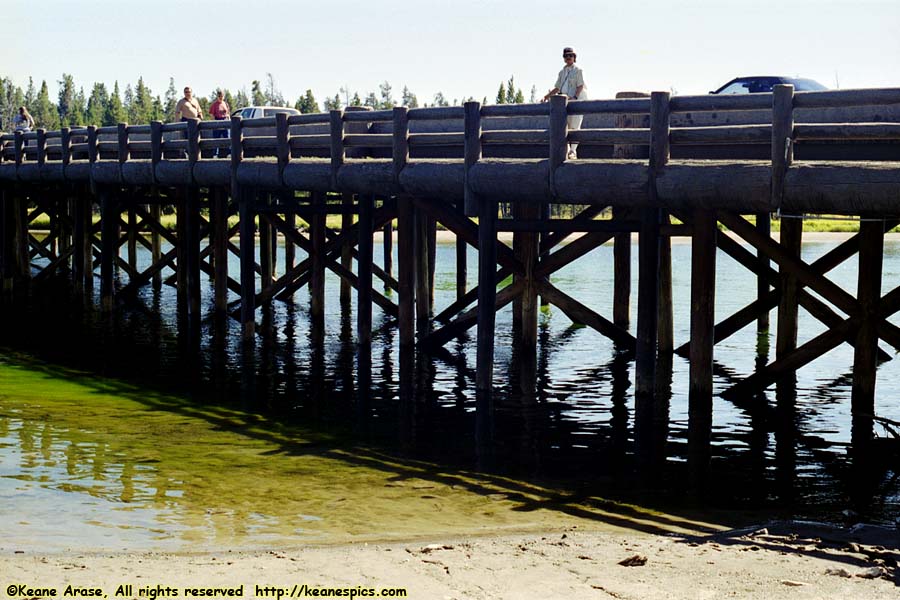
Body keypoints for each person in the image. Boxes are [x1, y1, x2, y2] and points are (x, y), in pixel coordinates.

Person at [542, 47, 588, 159]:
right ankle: (565, 150)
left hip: (577, 100)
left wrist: (575, 97)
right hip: (564, 101)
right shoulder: (561, 73)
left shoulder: (578, 70)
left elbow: (580, 85)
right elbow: (557, 87)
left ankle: (573, 151)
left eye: (571, 55)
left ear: (574, 57)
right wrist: (546, 96)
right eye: (566, 56)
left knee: (575, 124)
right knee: (564, 125)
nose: (568, 58)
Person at [208, 90, 230, 157]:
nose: (220, 97)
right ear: (217, 96)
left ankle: (228, 153)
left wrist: (228, 119)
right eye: (219, 96)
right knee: (216, 139)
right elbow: (211, 114)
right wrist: (215, 123)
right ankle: (215, 154)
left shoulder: (225, 104)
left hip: (225, 122)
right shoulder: (214, 104)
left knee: (227, 138)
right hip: (217, 122)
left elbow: (228, 113)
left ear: (224, 96)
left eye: (222, 96)